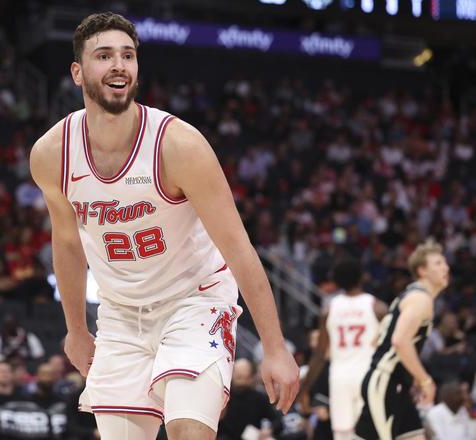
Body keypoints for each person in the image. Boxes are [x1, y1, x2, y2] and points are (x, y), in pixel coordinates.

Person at [29, 12, 298, 439]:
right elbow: (66, 243)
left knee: (189, 431)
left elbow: (238, 247)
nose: (119, 65)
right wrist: (76, 330)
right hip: (121, 314)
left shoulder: (178, 145)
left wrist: (275, 347)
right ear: (77, 73)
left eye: (128, 55)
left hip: (194, 302)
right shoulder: (52, 154)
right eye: (104, 56)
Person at [355, 240, 450, 440]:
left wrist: (411, 377)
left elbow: (377, 340)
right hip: (386, 382)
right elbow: (400, 341)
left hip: (396, 382)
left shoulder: (410, 295)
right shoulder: (420, 299)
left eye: (445, 262)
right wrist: (425, 380)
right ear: (422, 270)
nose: (446, 267)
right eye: (438, 263)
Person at [300, 258, 387, 440]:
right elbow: (389, 348)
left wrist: (305, 387)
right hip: (369, 376)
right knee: (373, 433)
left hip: (340, 378)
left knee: (343, 434)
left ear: (336, 281)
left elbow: (319, 355)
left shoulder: (329, 310)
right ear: (362, 277)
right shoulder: (377, 307)